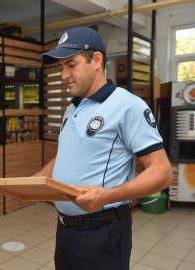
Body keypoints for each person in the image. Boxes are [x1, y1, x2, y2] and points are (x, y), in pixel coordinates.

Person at [34, 27, 172, 270]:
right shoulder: (72, 108)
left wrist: (107, 195)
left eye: (71, 65)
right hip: (65, 230)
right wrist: (36, 180)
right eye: (60, 67)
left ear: (96, 60)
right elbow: (66, 155)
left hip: (103, 233)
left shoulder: (128, 106)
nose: (64, 75)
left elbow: (162, 172)